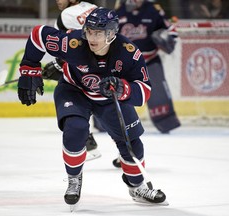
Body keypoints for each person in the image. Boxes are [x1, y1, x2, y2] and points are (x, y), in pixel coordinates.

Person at [17, 7, 167, 207]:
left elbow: (144, 90)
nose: (92, 38)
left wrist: (123, 88)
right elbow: (38, 35)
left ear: (112, 34)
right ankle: (73, 179)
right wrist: (29, 69)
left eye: (98, 33)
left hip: (109, 99)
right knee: (75, 129)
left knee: (132, 143)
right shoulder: (74, 43)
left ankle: (137, 187)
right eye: (89, 31)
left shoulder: (129, 53)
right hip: (73, 91)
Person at [112, 0, 181, 168]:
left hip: (150, 61)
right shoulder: (119, 13)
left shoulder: (154, 10)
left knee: (158, 95)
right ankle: (121, 143)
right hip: (126, 64)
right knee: (120, 102)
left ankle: (165, 123)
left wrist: (168, 38)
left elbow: (170, 29)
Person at [42, 0, 101, 161]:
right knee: (109, 106)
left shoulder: (64, 16)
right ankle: (127, 152)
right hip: (106, 60)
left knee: (75, 95)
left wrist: (57, 64)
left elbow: (64, 47)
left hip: (86, 66)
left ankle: (87, 142)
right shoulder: (92, 7)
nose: (58, 1)